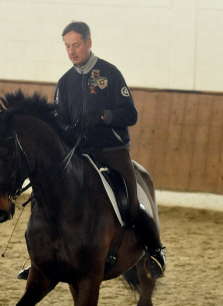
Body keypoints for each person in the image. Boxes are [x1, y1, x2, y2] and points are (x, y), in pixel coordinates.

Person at [18, 21, 165, 280]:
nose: (72, 51)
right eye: (67, 46)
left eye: (76, 45)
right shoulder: (65, 82)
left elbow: (130, 114)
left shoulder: (110, 73)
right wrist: (66, 127)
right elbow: (59, 120)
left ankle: (155, 251)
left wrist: (101, 116)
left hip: (111, 149)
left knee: (130, 204)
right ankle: (40, 258)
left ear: (88, 43)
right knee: (49, 197)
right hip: (78, 152)